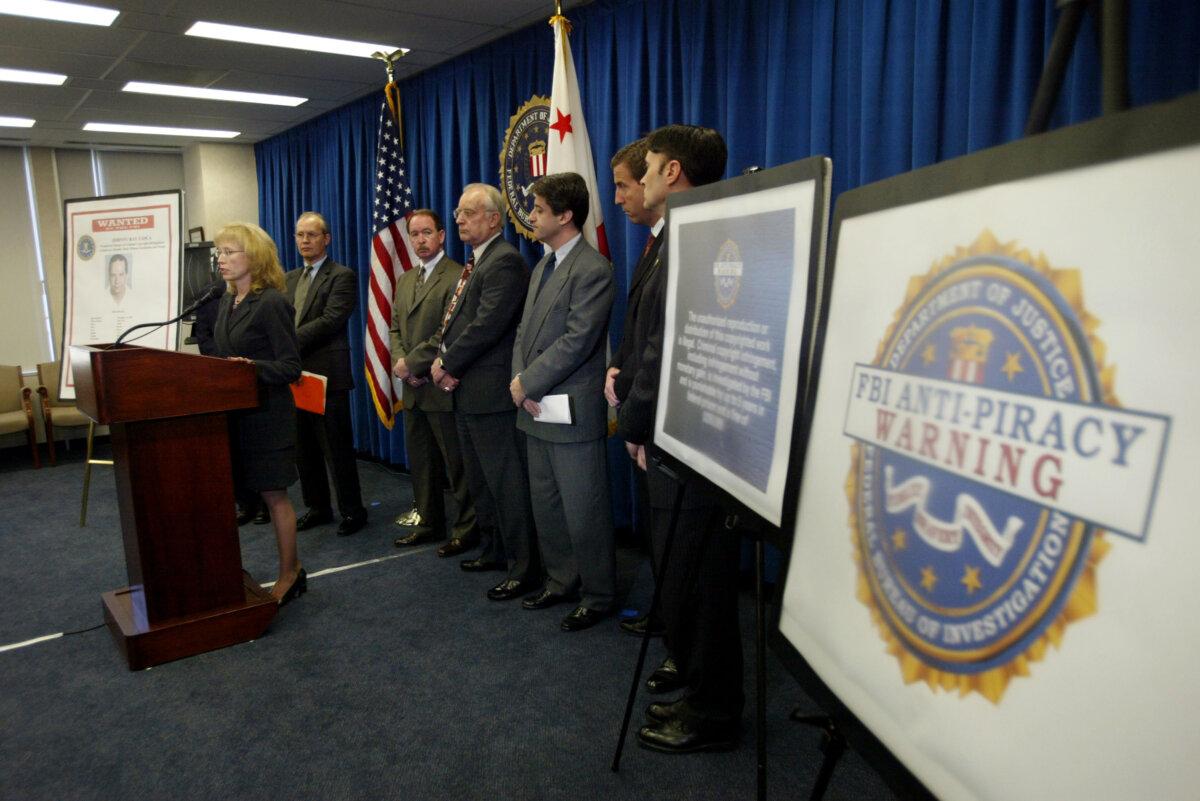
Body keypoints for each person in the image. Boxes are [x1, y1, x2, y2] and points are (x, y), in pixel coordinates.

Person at [616, 124, 743, 754]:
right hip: (673, 438)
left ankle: (713, 712)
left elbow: (666, 349)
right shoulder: (674, 238)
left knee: (700, 583)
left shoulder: (698, 239)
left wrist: (634, 423)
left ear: (672, 173)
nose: (638, 182)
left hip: (690, 441)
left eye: (648, 169)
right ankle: (698, 685)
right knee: (682, 577)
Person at [511, 173, 616, 631]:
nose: (531, 217)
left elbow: (577, 341)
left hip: (570, 409)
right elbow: (524, 332)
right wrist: (521, 381)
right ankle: (560, 580)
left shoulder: (592, 269)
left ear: (566, 215)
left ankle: (598, 594)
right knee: (548, 504)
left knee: (583, 508)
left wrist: (527, 383)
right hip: (535, 405)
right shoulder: (542, 266)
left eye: (538, 210)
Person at [431, 183, 539, 600]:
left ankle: (523, 567)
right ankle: (494, 550)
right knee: (480, 481)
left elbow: (488, 325)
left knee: (506, 483)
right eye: (458, 212)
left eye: (468, 212)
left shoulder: (504, 261)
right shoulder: (477, 261)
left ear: (494, 219)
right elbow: (457, 324)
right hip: (467, 391)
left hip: (491, 394)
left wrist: (448, 364)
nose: (459, 219)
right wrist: (446, 364)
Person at [212, 222, 305, 605]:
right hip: (236, 416)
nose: (221, 259)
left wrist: (251, 368)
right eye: (219, 252)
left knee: (274, 496)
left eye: (229, 252)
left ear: (254, 257)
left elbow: (291, 366)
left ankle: (290, 573)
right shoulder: (226, 300)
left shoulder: (271, 303)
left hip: (268, 417)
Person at [389, 209, 481, 554]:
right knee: (422, 462)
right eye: (414, 234)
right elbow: (395, 328)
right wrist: (401, 364)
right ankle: (429, 522)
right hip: (412, 388)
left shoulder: (457, 276)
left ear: (442, 236)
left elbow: (447, 333)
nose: (420, 240)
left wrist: (412, 364)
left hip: (440, 386)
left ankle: (467, 529)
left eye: (427, 232)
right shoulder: (405, 279)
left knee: (457, 465)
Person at [607, 137, 668, 642]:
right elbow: (637, 330)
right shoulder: (652, 244)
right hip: (641, 409)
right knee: (656, 531)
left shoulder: (678, 244)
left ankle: (676, 628)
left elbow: (660, 344)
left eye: (627, 183)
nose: (623, 196)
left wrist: (633, 419)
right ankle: (667, 613)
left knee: (675, 539)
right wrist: (617, 370)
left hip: (662, 421)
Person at [286, 212, 368, 537]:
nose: (305, 240)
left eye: (311, 235)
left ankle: (353, 511)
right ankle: (318, 507)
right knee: (303, 449)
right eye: (300, 235)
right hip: (294, 375)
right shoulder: (289, 279)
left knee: (336, 449)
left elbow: (331, 320)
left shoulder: (341, 275)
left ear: (326, 239)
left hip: (327, 377)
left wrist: (287, 342)